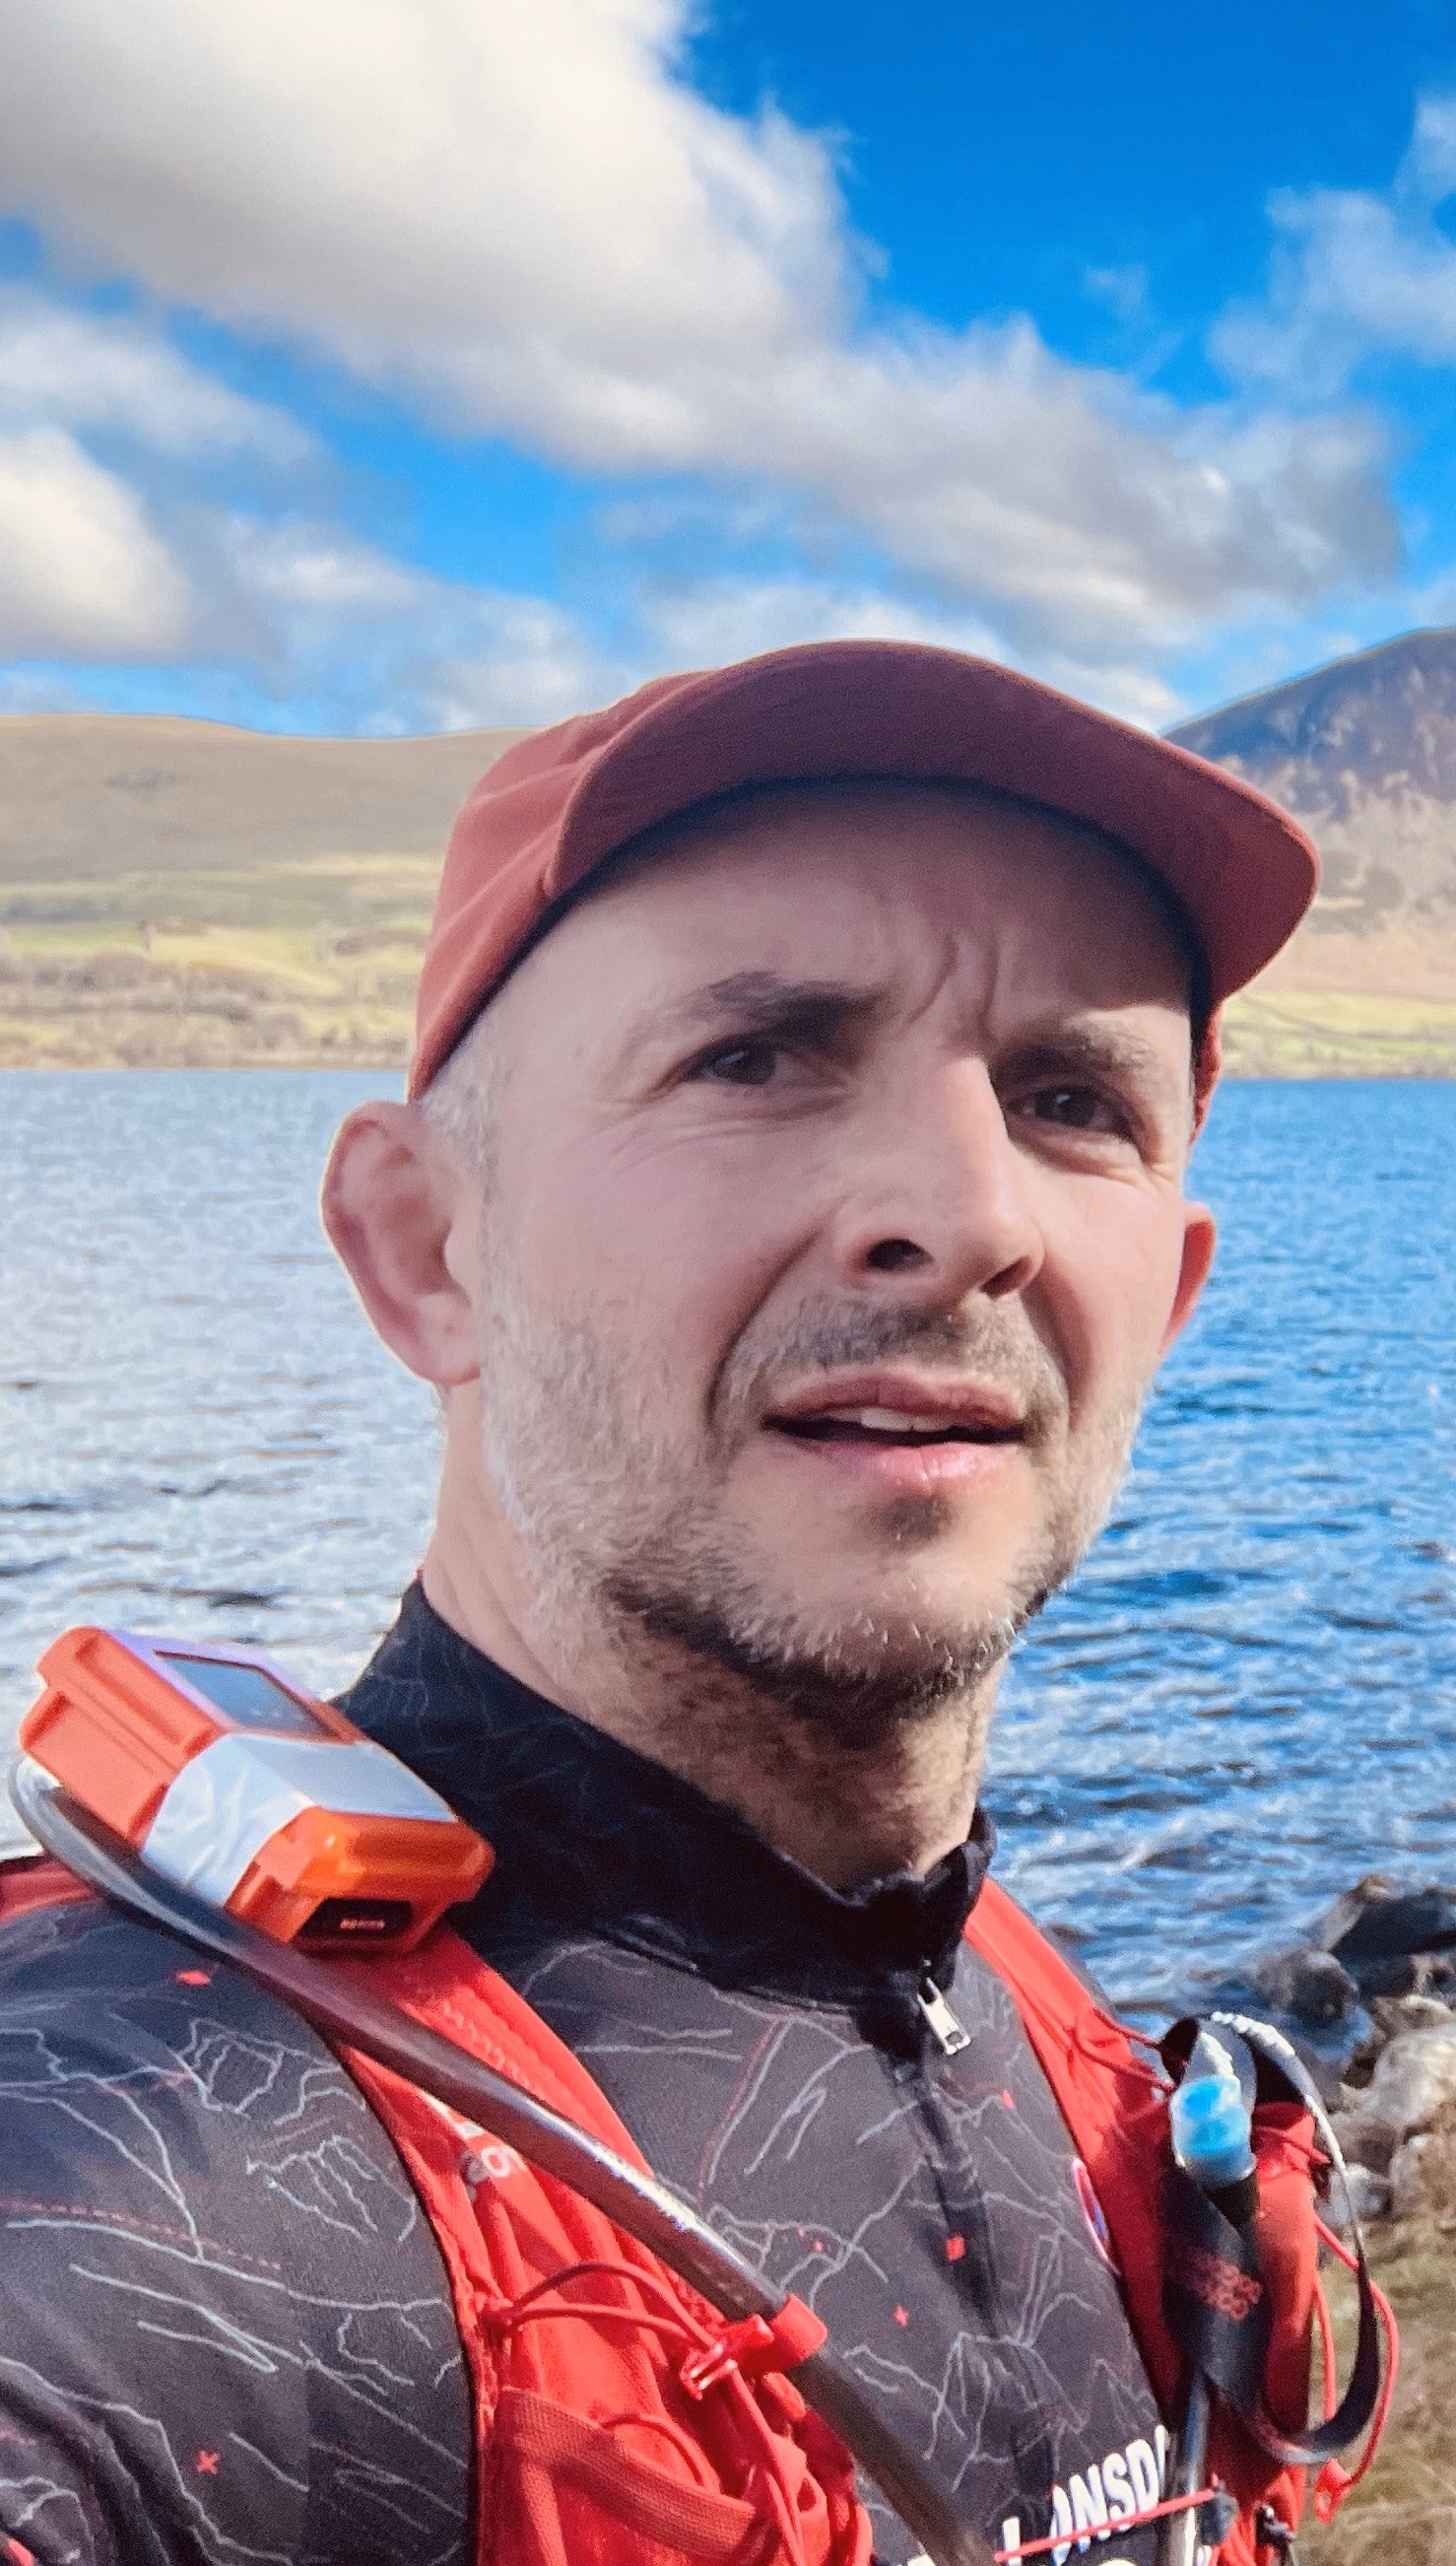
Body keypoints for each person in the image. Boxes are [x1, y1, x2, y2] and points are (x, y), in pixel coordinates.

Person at [0, 642, 1330, 2566]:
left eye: (1069, 1095)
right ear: (420, 1246)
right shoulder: (121, 2208)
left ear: (1171, 1298)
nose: (971, 1217)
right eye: (759, 1056)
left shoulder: (1023, 2027)